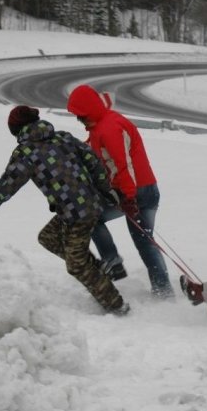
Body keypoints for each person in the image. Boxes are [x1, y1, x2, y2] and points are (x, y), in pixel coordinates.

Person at [0, 105, 130, 316]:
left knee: (76, 266)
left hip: (78, 214)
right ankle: (98, 273)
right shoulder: (62, 137)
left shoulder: (26, 153)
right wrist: (106, 190)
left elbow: (5, 187)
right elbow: (92, 160)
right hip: (83, 206)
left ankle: (117, 306)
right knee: (48, 237)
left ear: (16, 130)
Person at [66, 84, 174, 298]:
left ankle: (117, 262)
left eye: (80, 115)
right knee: (144, 241)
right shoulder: (101, 125)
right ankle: (162, 290)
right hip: (135, 190)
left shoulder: (110, 128)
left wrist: (129, 198)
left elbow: (123, 165)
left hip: (138, 192)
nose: (79, 119)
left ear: (89, 110)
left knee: (94, 219)